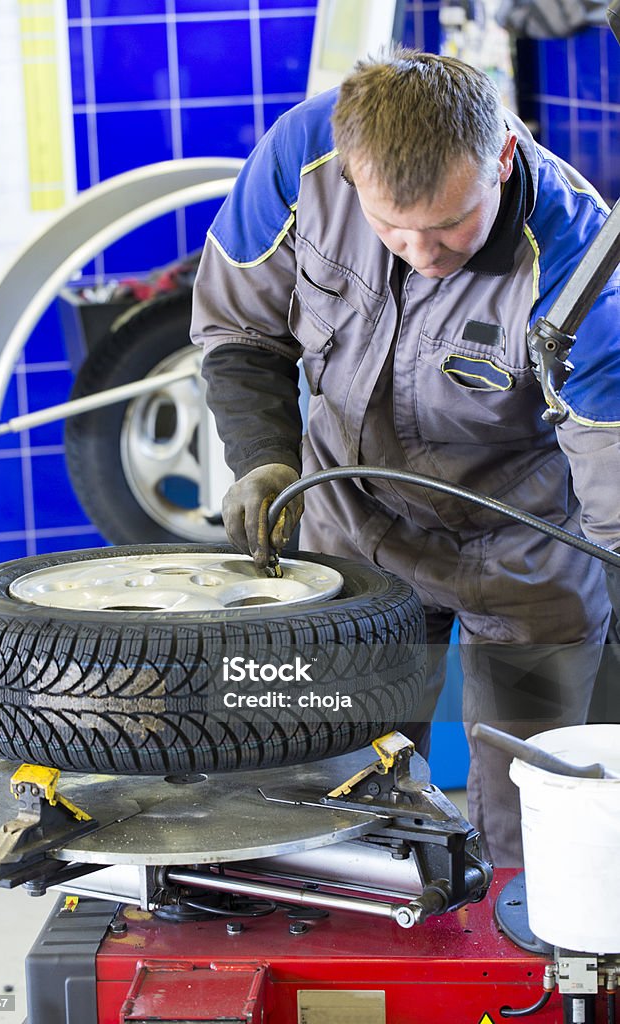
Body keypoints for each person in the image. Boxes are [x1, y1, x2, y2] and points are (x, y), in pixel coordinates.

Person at [190, 47, 620, 867]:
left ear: (498, 160)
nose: (421, 251)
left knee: (545, 808)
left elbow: (611, 473)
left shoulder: (578, 254)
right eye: (392, 226)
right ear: (350, 171)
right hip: (349, 525)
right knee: (333, 784)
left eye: (451, 224)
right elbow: (240, 331)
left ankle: (520, 982)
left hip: (527, 550)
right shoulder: (299, 157)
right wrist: (264, 459)